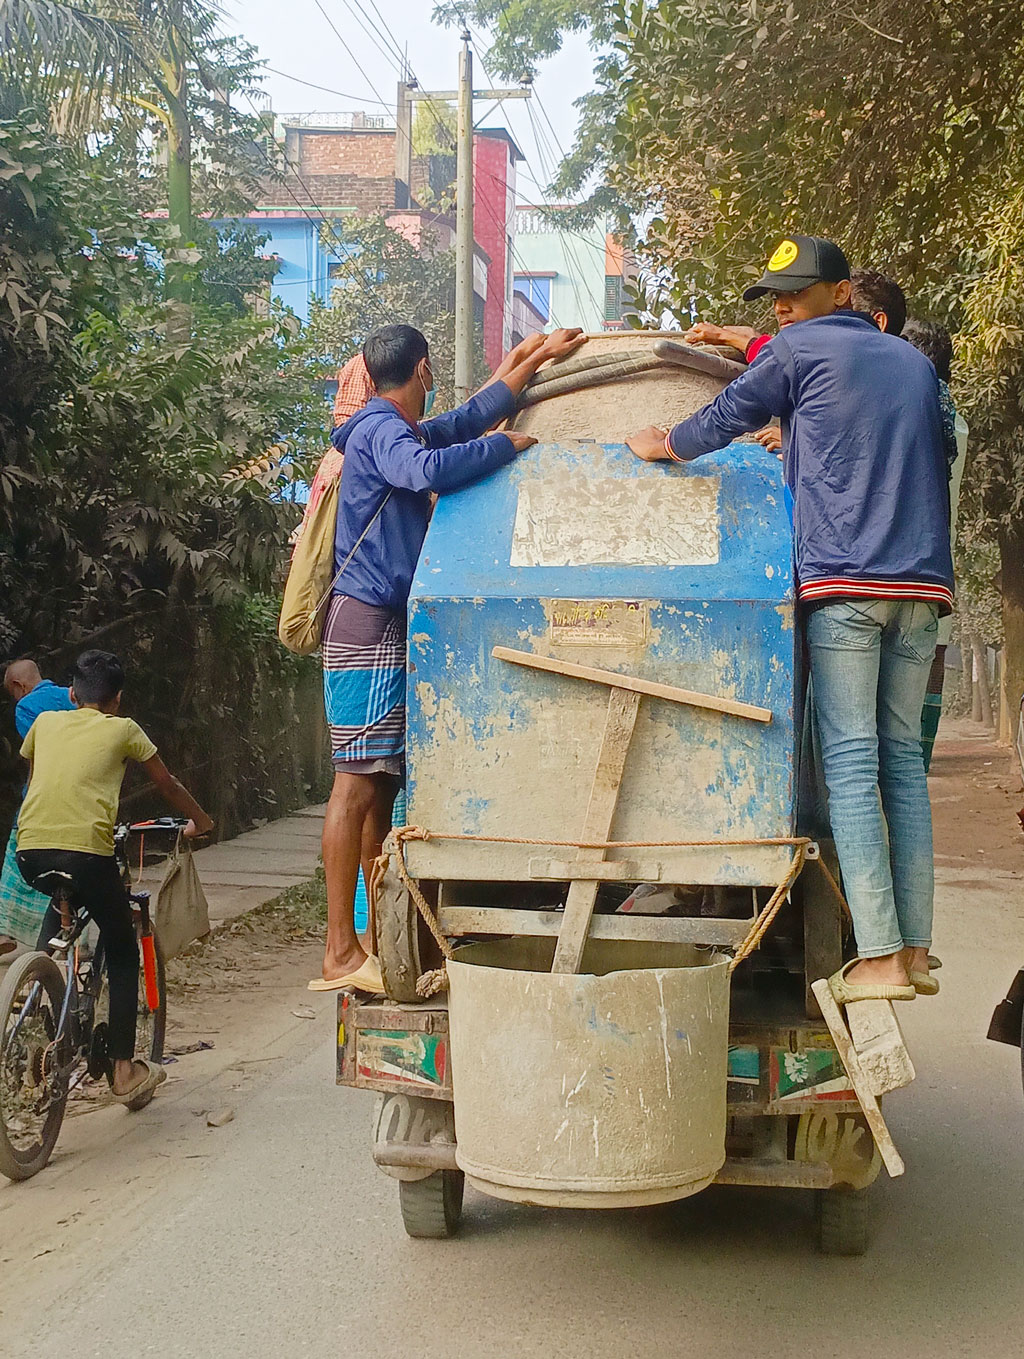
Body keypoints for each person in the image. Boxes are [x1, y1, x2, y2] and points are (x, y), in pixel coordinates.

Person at [626, 234, 953, 1006]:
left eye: (796, 294)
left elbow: (728, 413)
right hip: (923, 588)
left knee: (848, 763)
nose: (783, 307)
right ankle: (914, 946)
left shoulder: (798, 351)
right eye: (775, 296)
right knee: (901, 763)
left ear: (840, 294)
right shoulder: (911, 363)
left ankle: (875, 956)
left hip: (847, 583)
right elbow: (931, 449)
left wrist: (663, 444)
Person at [311, 324, 586, 993]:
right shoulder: (383, 431)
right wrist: (505, 447)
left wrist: (524, 370)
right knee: (353, 786)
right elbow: (428, 469)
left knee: (379, 785)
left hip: (379, 619)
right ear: (423, 368)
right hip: (367, 620)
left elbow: (457, 423)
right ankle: (339, 950)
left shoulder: (390, 423)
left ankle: (371, 941)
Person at [16, 650, 214, 1103]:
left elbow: (39, 779)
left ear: (70, 694)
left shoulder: (45, 722)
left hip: (30, 851)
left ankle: (38, 996)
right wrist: (201, 822)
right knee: (123, 952)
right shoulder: (124, 729)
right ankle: (124, 1073)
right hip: (88, 852)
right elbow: (167, 784)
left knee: (59, 909)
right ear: (118, 699)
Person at [903, 318, 968, 770]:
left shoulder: (913, 415)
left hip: (888, 580)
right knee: (911, 758)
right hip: (935, 586)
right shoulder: (954, 423)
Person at [0, 660, 76, 954]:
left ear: (18, 686)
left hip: (44, 795)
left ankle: (5, 929)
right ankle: (74, 932)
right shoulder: (71, 696)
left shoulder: (26, 707)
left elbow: (40, 754)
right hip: (78, 797)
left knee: (15, 856)